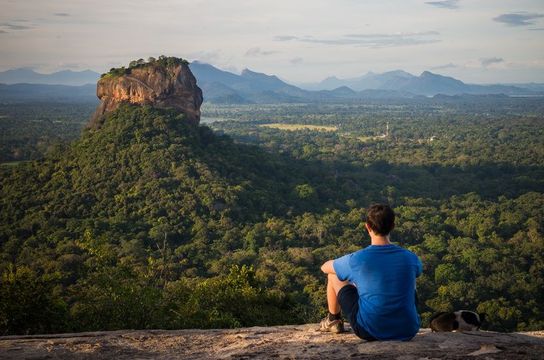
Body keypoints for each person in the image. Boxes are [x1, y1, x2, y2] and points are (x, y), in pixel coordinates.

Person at [319, 203, 422, 341]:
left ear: (367, 227)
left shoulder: (357, 259)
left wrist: (354, 280)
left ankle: (333, 320)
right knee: (409, 278)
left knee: (334, 274)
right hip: (408, 329)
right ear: (393, 226)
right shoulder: (411, 258)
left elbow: (324, 267)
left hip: (369, 329)